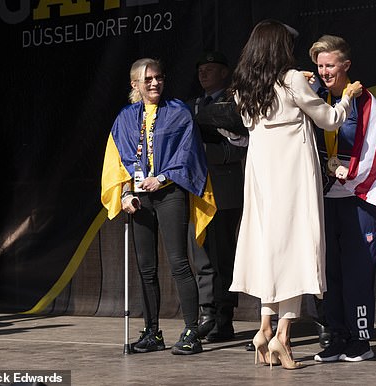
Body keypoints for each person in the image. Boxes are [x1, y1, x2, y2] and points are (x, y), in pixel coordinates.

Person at [227, 20, 362, 369]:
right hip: (291, 172)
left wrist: (301, 84)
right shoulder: (292, 79)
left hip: (260, 172)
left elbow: (254, 118)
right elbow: (330, 119)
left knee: (271, 248)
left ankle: (263, 329)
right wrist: (346, 98)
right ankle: (282, 337)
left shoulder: (245, 83)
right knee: (298, 246)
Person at [101, 58, 208, 355]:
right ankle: (152, 332)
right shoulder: (124, 117)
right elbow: (118, 161)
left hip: (169, 191)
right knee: (145, 267)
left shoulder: (178, 112)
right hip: (139, 198)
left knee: (178, 262)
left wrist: (161, 178)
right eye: (147, 79)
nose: (154, 83)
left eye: (158, 77)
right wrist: (124, 194)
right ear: (135, 84)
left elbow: (188, 154)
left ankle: (190, 331)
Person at [307, 35, 376, 363]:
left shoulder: (365, 101)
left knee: (358, 270)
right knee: (329, 271)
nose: (324, 71)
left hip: (357, 196)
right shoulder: (314, 99)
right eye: (319, 65)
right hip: (323, 197)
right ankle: (335, 335)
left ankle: (360, 338)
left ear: (346, 65)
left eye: (330, 65)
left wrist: (350, 168)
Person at [187, 51, 246, 342]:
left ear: (225, 73)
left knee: (223, 256)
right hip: (197, 191)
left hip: (224, 190)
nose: (203, 74)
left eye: (210, 69)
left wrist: (207, 153)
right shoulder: (192, 105)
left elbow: (243, 146)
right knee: (201, 255)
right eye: (201, 69)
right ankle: (206, 312)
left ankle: (224, 318)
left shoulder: (235, 103)